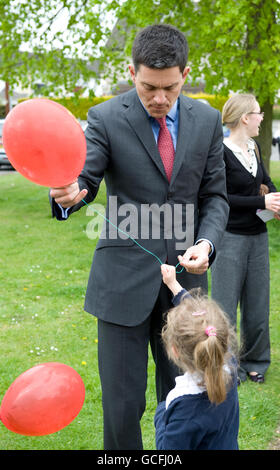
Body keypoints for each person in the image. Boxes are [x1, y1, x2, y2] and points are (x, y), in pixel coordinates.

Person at [49, 24, 229, 450]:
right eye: (149, 87)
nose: (160, 98)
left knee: (189, 398)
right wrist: (69, 193)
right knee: (122, 406)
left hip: (184, 292)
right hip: (121, 287)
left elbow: (215, 197)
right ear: (131, 72)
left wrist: (206, 244)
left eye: (170, 87)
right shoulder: (106, 117)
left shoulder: (207, 120)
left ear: (186, 73)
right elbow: (86, 178)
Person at [211, 93, 280, 384]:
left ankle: (256, 362)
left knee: (257, 304)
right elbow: (223, 197)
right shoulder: (221, 153)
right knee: (225, 306)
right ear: (245, 118)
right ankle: (227, 366)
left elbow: (265, 181)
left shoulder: (253, 147)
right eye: (258, 113)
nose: (262, 118)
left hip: (257, 237)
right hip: (229, 237)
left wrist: (276, 201)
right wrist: (261, 204)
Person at [154, 264, 239, 450]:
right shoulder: (227, 361)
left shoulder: (185, 407)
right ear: (223, 335)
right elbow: (200, 320)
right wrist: (174, 285)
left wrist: (161, 414)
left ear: (174, 350)